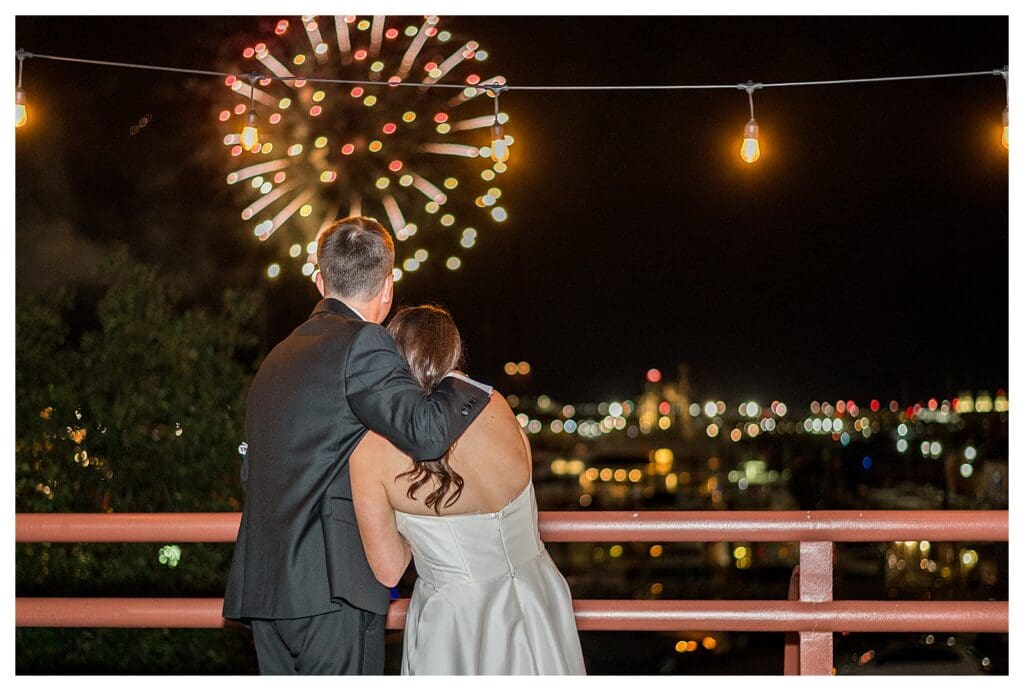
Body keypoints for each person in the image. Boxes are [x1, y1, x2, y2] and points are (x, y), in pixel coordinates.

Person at [223, 217, 492, 675]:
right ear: (388, 285)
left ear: (318, 280)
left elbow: (253, 471)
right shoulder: (363, 342)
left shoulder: (278, 355)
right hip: (329, 593)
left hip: (266, 590)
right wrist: (463, 384)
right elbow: (425, 432)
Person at [350, 304, 586, 675]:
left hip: (458, 621)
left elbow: (389, 569)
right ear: (454, 354)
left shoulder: (370, 451)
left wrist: (418, 526)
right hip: (539, 596)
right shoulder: (498, 408)